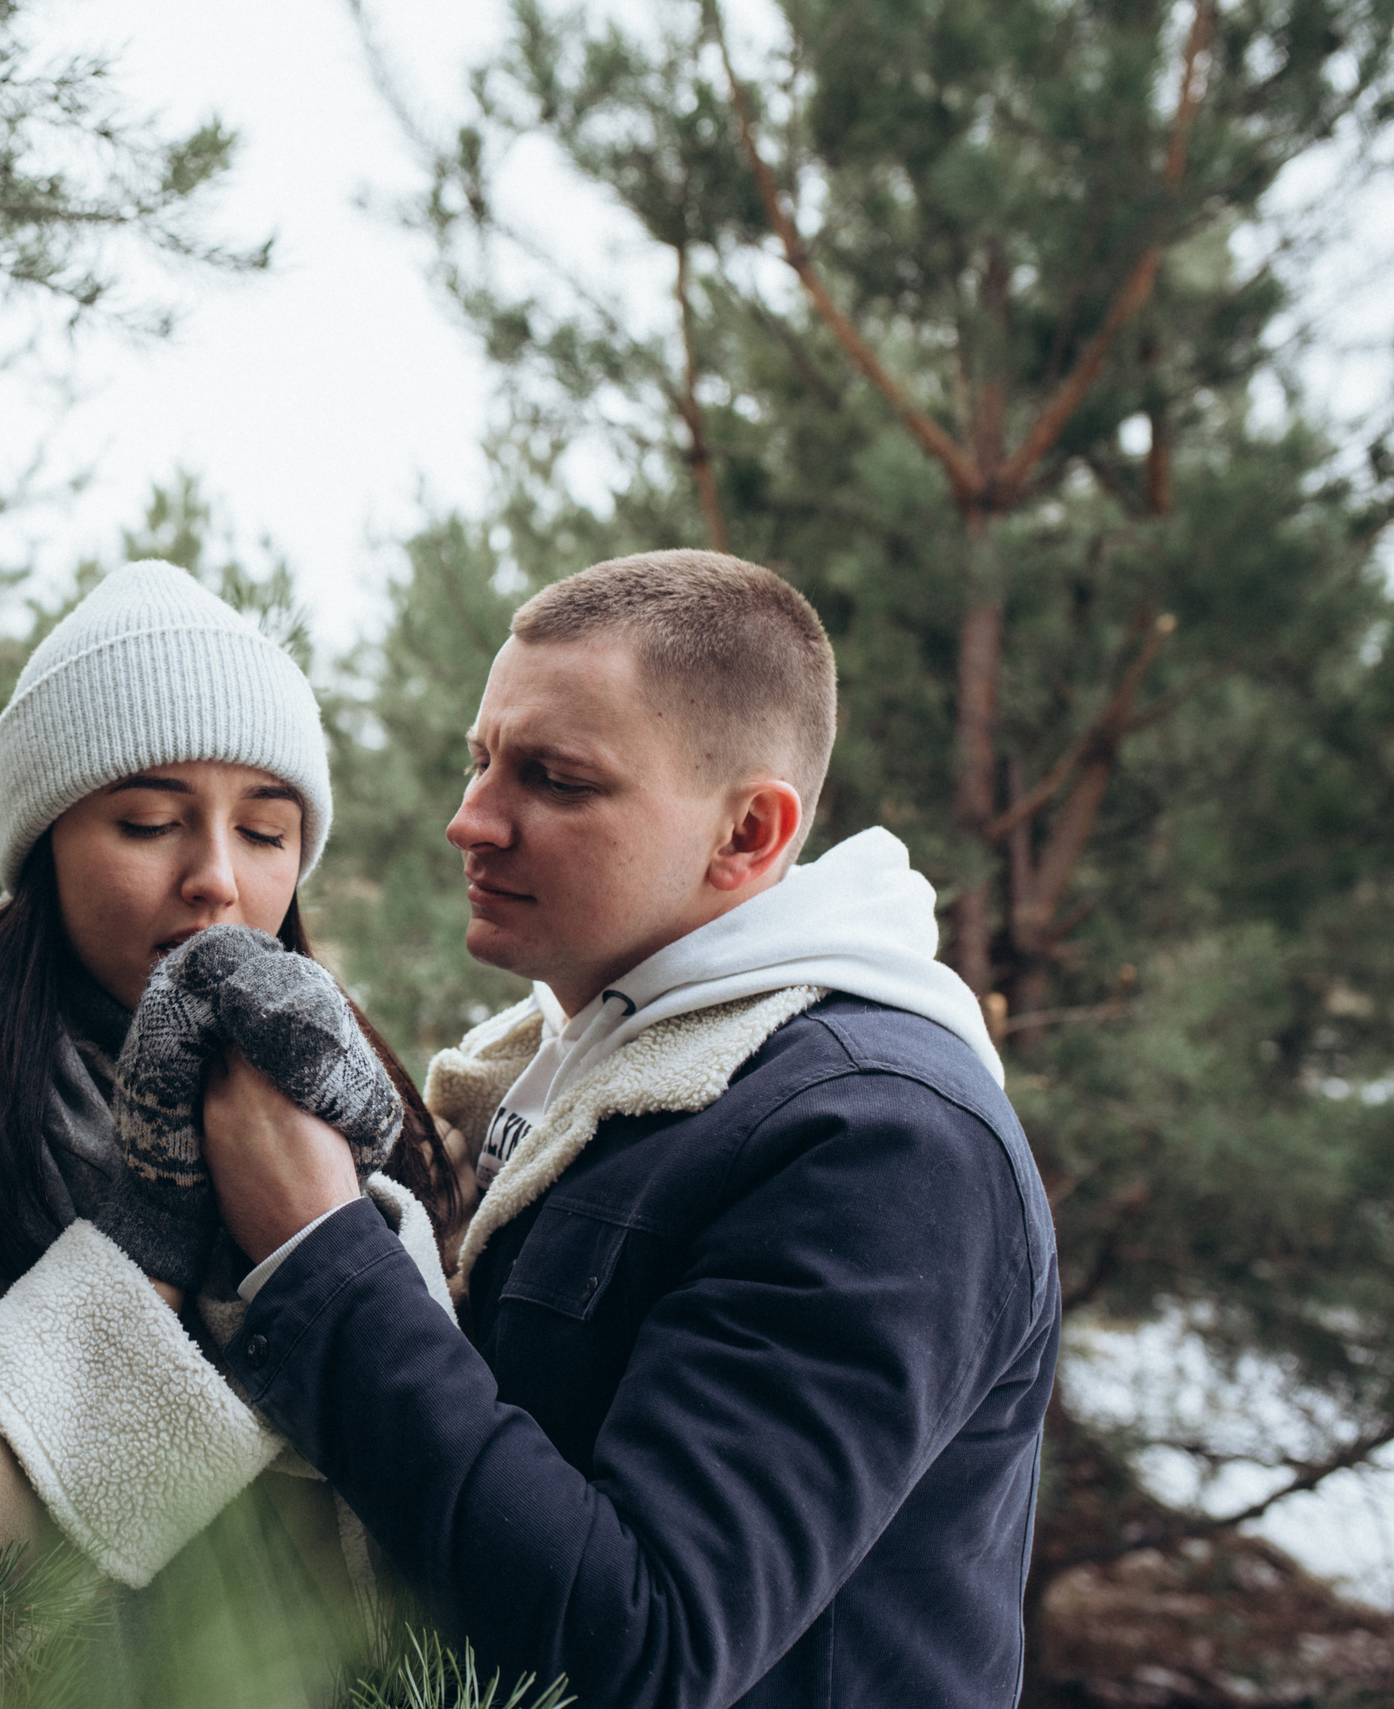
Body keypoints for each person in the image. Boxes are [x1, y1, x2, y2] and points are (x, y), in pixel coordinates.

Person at [197, 550, 1062, 1708]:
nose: (469, 820)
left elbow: (640, 1653)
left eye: (553, 777)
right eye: (480, 759)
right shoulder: (573, 1071)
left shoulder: (881, 1144)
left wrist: (318, 1252)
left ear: (748, 833)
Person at [0, 561, 462, 1694]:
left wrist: (328, 1230)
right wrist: (148, 1234)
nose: (214, 877)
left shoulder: (355, 1117)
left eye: (264, 832)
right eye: (150, 820)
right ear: (45, 845)